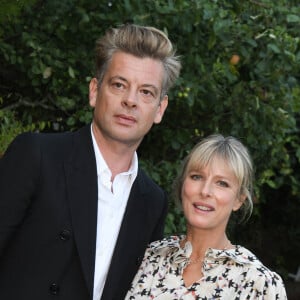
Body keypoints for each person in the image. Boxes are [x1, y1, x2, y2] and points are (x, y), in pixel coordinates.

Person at [0, 24, 181, 300]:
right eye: (119, 85)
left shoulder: (152, 201)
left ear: (160, 109)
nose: (130, 101)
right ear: (95, 91)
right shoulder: (37, 156)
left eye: (146, 92)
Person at [125, 134, 287, 299]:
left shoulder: (259, 284)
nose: (205, 191)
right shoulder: (149, 257)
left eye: (222, 183)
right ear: (182, 185)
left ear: (239, 200)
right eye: (197, 177)